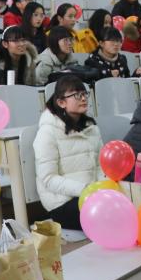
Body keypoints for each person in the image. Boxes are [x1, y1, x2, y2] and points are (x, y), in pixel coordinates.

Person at [33, 76, 104, 229]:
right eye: (76, 95)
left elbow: (101, 166)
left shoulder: (92, 128)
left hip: (91, 194)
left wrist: (102, 188)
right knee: (106, 216)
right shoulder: (47, 132)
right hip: (61, 202)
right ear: (61, 102)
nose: (83, 98)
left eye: (84, 94)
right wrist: (85, 189)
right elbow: (48, 179)